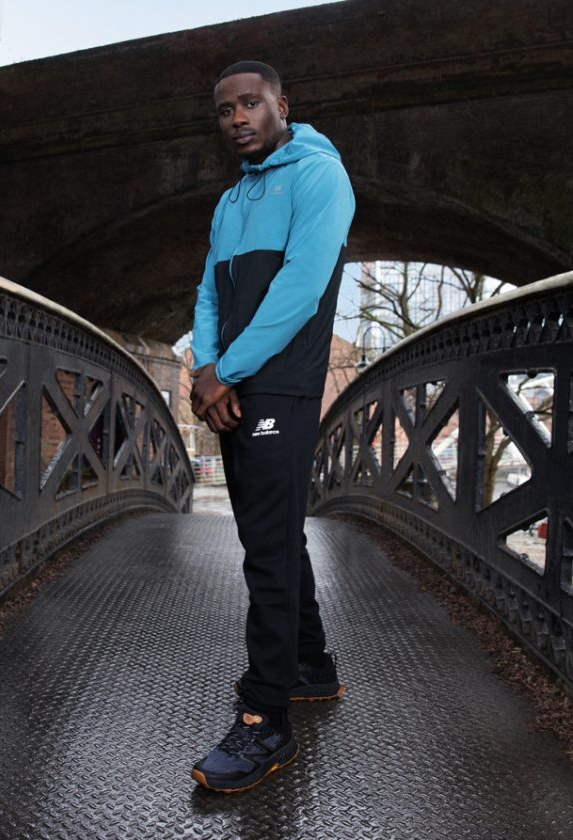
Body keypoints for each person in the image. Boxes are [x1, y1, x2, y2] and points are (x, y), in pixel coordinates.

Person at [189, 60, 355, 793]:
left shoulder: (320, 177)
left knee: (267, 552)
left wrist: (228, 370)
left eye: (250, 104)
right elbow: (208, 291)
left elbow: (300, 289)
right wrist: (207, 368)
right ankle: (310, 666)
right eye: (225, 110)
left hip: (281, 389)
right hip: (233, 384)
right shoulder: (231, 201)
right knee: (275, 535)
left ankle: (266, 718)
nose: (237, 119)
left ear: (282, 105)